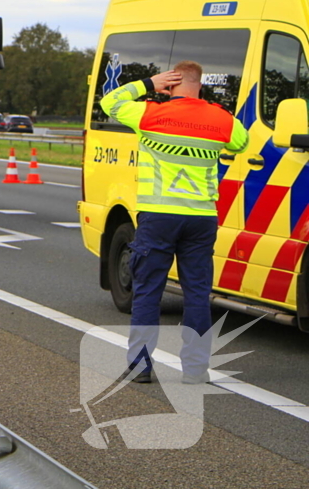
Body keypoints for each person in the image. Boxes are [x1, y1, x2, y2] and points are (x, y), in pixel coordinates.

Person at [101, 61, 249, 384]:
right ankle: (195, 369)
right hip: (201, 218)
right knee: (197, 292)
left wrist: (149, 84)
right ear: (200, 84)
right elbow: (241, 142)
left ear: (172, 83)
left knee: (148, 290)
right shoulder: (220, 119)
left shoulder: (151, 114)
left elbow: (109, 102)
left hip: (158, 216)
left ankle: (140, 367)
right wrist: (209, 107)